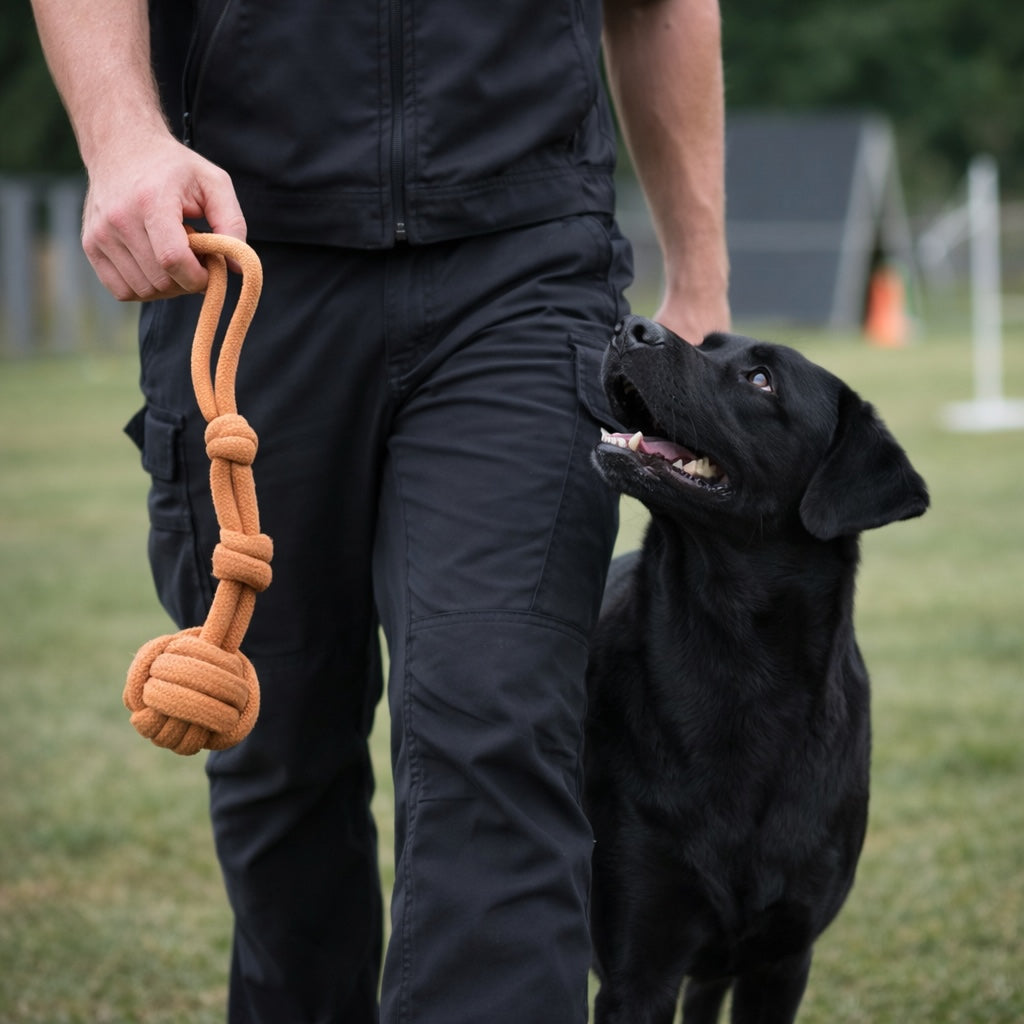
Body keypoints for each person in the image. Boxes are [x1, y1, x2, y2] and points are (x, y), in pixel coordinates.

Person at [31, 1, 730, 1022]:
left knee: (496, 724)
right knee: (277, 755)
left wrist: (700, 280)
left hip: (522, 262)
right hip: (243, 253)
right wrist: (122, 135)